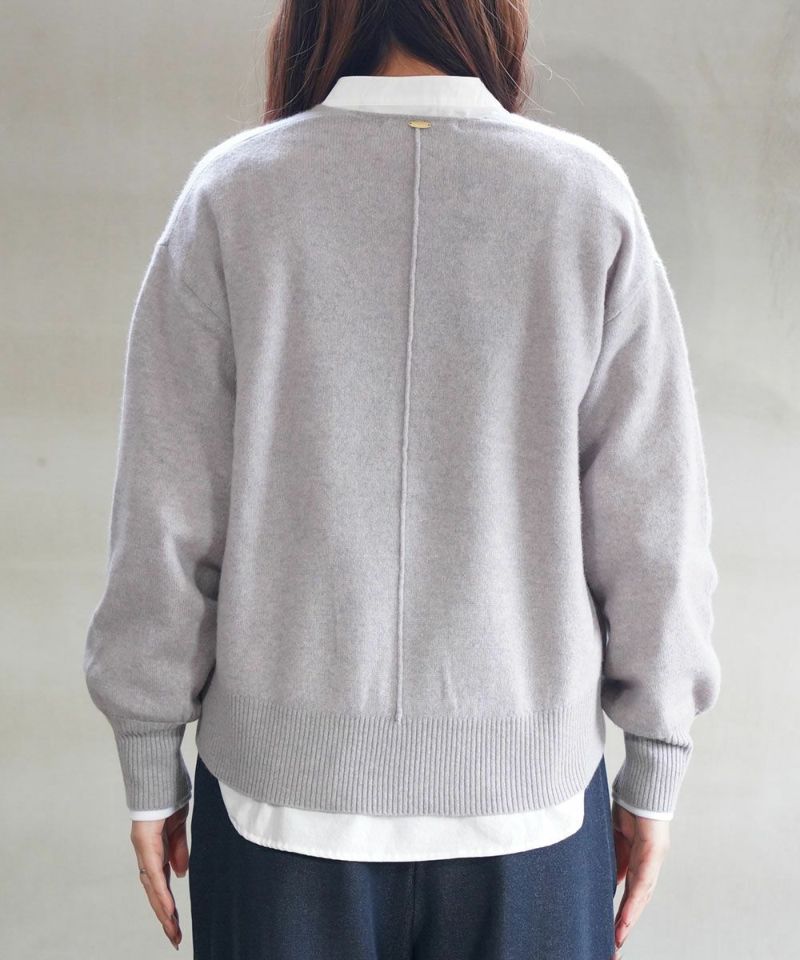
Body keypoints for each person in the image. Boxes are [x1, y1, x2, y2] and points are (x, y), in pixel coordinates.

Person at [82, 2, 721, 958]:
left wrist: (148, 761)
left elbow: (166, 511)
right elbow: (654, 526)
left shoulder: (234, 194)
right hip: (530, 808)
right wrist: (654, 767)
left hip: (282, 807)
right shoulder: (585, 199)